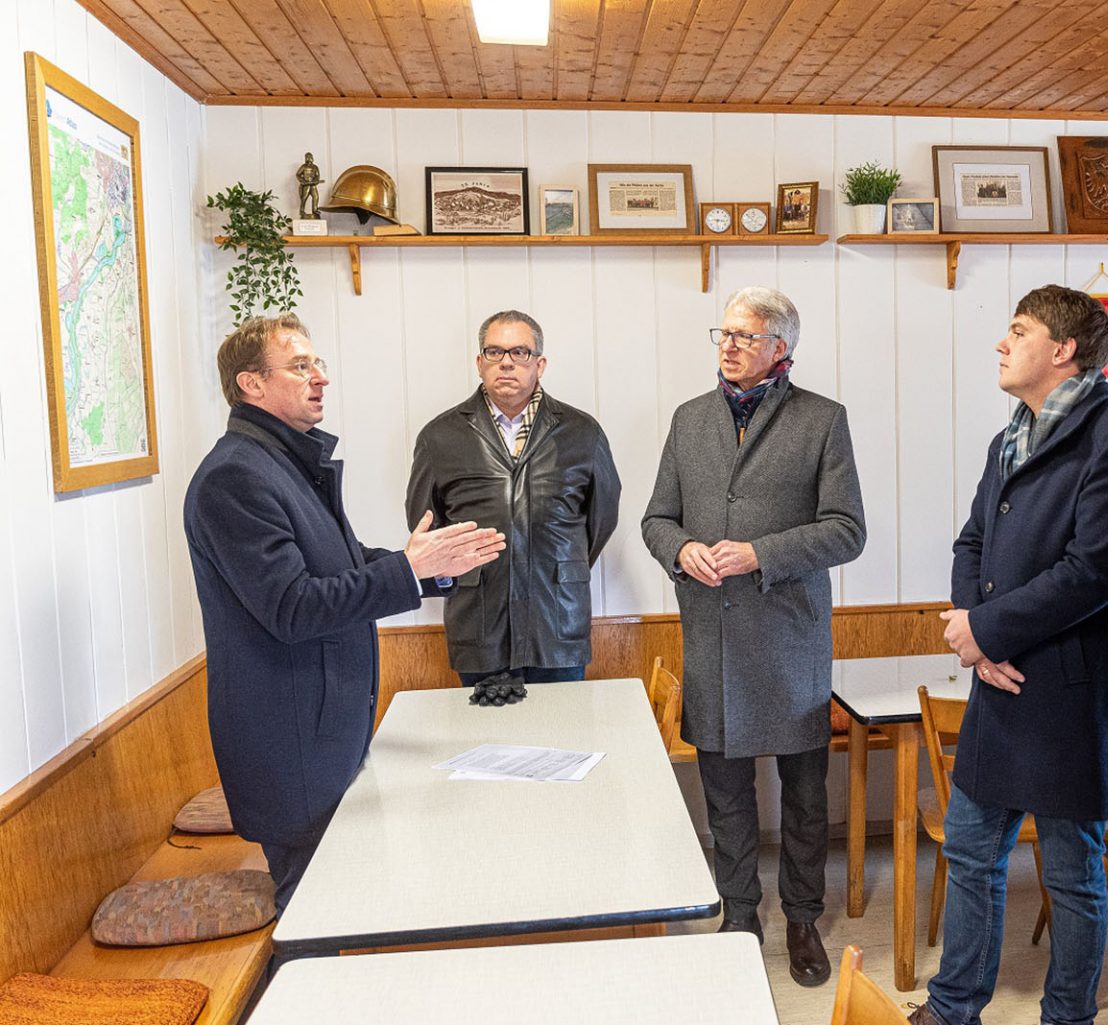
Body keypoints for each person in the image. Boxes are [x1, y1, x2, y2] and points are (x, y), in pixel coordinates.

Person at [906, 286, 1108, 1025]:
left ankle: (1068, 1016)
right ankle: (954, 1008)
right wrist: (976, 630)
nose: (1001, 343)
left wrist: (987, 632)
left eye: (1016, 331)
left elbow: (1093, 572)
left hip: (1072, 690)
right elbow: (971, 543)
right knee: (970, 852)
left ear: (1062, 349)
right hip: (1004, 680)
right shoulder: (1010, 436)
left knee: (1075, 873)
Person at [184, 313, 505, 911]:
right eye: (301, 366)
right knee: (314, 918)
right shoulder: (235, 476)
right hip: (292, 744)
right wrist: (409, 569)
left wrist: (437, 568)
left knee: (344, 906)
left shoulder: (280, 465)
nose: (320, 378)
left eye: (319, 364)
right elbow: (293, 607)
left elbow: (345, 564)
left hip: (323, 734)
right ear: (251, 385)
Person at [641, 286, 865, 987]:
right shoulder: (688, 419)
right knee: (727, 794)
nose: (729, 344)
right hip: (711, 634)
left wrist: (759, 552)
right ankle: (740, 912)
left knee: (803, 796)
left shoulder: (823, 420)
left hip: (790, 639)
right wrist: (681, 551)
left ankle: (801, 917)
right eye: (725, 332)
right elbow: (656, 519)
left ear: (781, 350)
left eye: (745, 335)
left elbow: (846, 530)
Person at [407, 311, 620, 702]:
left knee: (561, 746)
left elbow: (601, 519)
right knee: (485, 751)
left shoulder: (581, 433)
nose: (506, 362)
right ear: (479, 362)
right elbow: (426, 527)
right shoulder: (441, 436)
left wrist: (556, 564)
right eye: (495, 351)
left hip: (557, 623)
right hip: (479, 624)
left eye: (520, 352)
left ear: (540, 364)